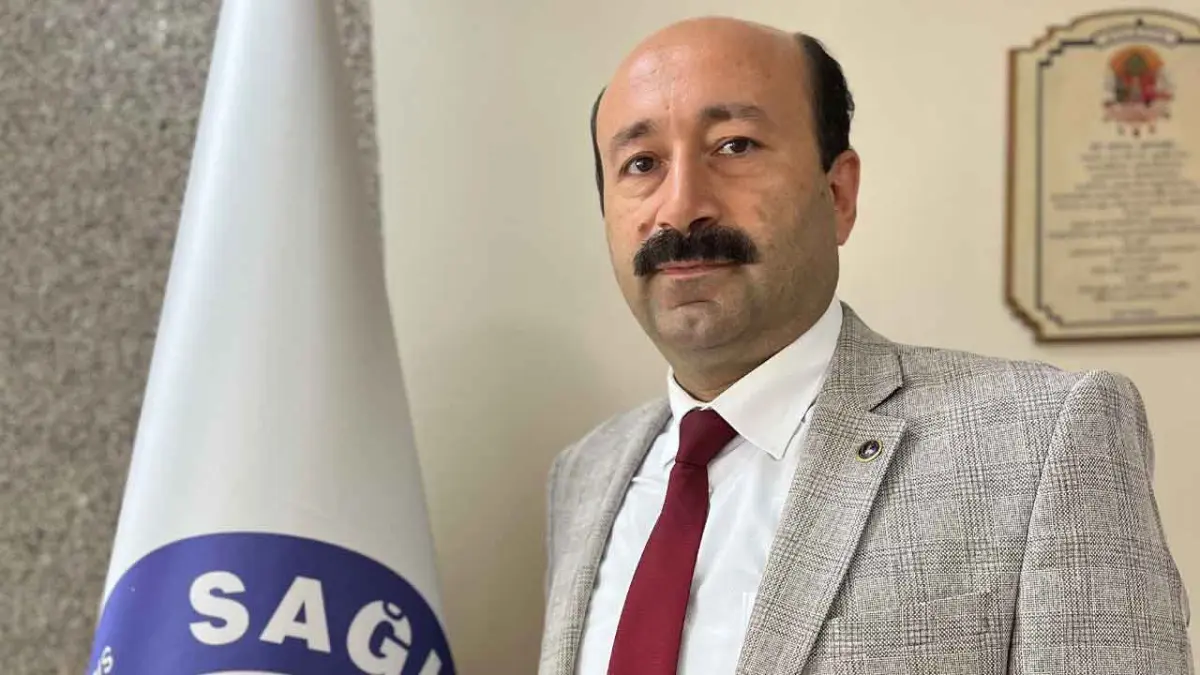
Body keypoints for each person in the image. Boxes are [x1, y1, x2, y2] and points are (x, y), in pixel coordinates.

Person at [538, 15, 1192, 675]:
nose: (680, 208)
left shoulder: (1046, 437)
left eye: (734, 146)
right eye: (641, 163)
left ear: (838, 193)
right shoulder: (585, 474)